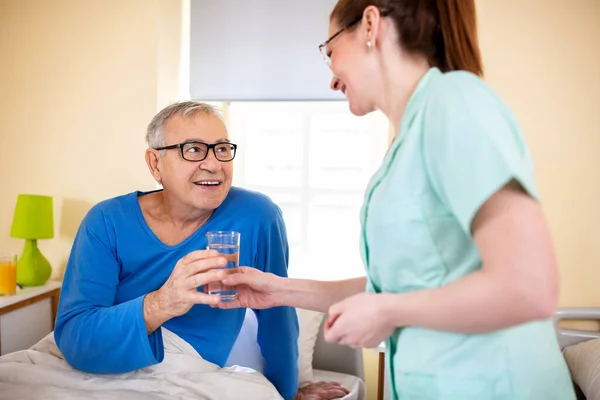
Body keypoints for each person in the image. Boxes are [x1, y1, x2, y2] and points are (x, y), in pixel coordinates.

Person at [215, 1, 577, 399]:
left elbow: (530, 287)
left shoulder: (454, 102)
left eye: (330, 50)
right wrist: (278, 289)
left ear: (370, 24)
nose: (332, 79)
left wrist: (386, 312)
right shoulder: (407, 139)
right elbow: (398, 285)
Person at [53, 101, 348, 400]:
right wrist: (161, 303)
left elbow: (278, 318)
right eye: (193, 149)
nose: (214, 164)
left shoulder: (257, 216)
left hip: (191, 376)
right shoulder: (106, 221)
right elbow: (76, 338)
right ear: (156, 163)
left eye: (221, 149)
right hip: (97, 369)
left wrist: (288, 392)